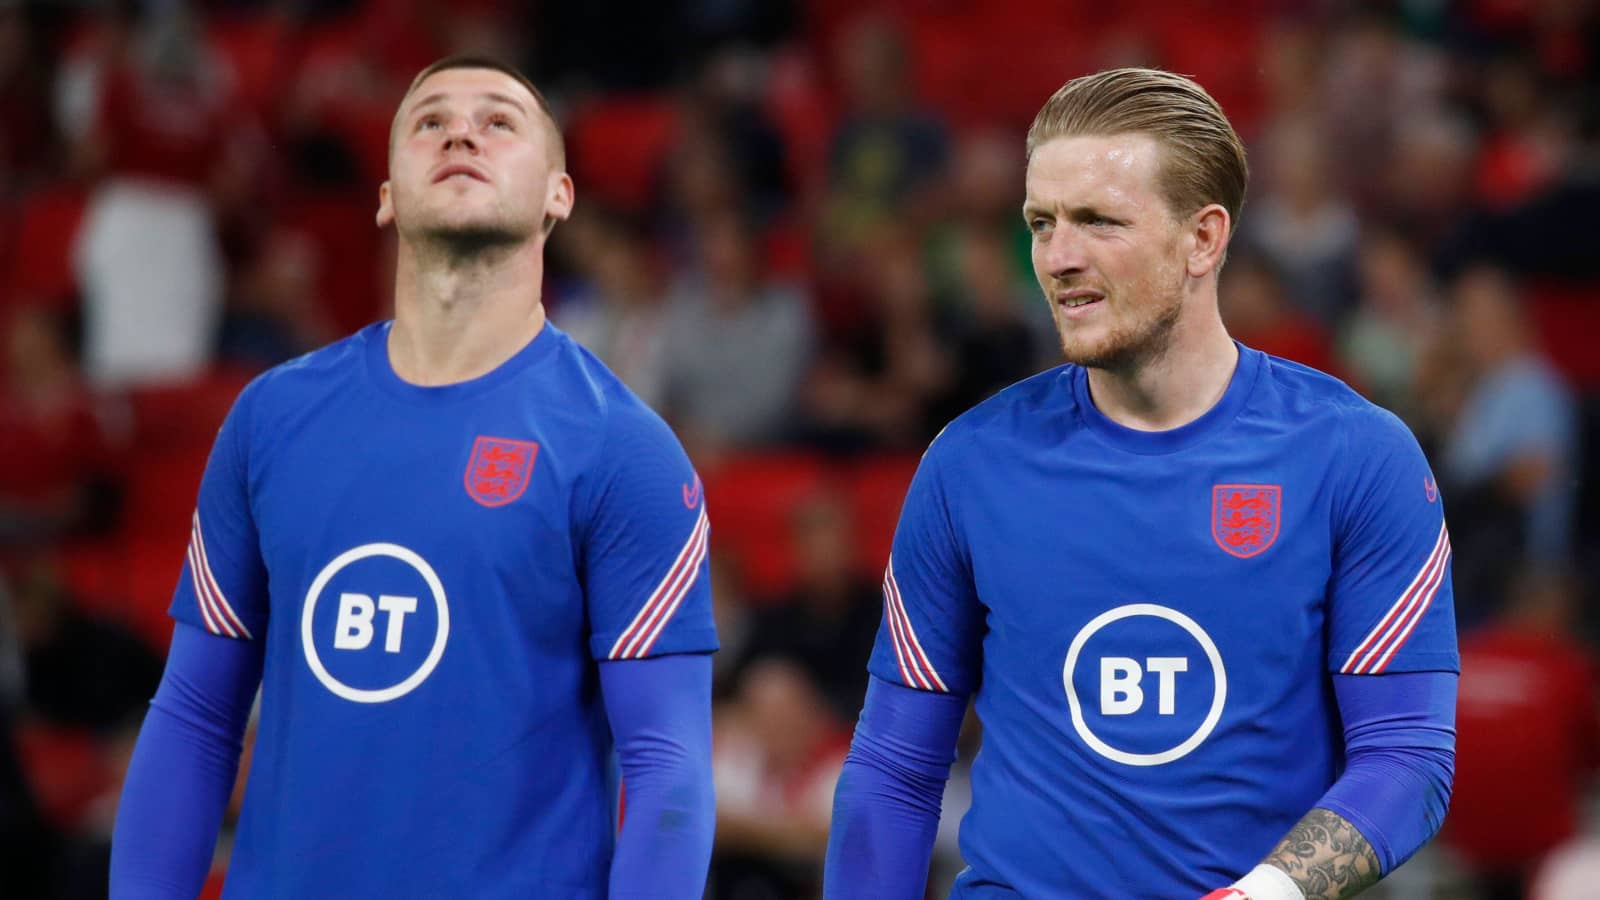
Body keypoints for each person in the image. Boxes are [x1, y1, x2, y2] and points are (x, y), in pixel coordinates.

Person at [824, 68, 1458, 900]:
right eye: (1040, 223)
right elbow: (895, 770)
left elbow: (1408, 758)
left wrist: (1261, 894)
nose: (1057, 258)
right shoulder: (968, 464)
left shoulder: (1355, 458)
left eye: (1097, 222)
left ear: (1204, 238)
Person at [108, 56, 719, 898]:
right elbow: (195, 719)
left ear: (559, 196)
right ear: (388, 194)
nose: (461, 130)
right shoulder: (270, 421)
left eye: (500, 121)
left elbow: (668, 769)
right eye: (429, 120)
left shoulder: (624, 452)